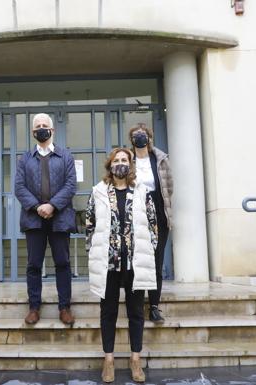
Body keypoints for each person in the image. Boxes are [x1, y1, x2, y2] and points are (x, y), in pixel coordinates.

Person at [86, 148, 158, 383]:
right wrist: (94, 251)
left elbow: (152, 225)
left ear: (130, 164)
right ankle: (108, 359)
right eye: (116, 161)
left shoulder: (142, 191)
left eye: (124, 160)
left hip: (135, 264)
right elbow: (89, 224)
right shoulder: (97, 192)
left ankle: (135, 358)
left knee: (136, 312)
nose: (120, 164)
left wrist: (148, 250)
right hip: (108, 264)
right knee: (108, 313)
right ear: (110, 166)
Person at [14, 113, 77, 326]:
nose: (41, 128)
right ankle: (33, 307)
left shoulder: (66, 156)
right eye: (37, 126)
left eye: (45, 125)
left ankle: (65, 307)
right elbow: (19, 187)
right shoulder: (24, 158)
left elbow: (71, 185)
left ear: (52, 130)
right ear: (33, 132)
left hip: (60, 219)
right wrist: (37, 206)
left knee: (63, 263)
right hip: (34, 219)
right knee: (33, 265)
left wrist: (52, 205)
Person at [128, 123, 173, 323]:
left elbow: (168, 187)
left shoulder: (161, 159)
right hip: (135, 215)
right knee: (136, 261)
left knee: (156, 261)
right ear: (132, 139)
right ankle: (136, 303)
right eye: (136, 135)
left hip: (159, 217)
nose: (140, 137)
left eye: (143, 134)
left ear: (149, 137)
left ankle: (154, 306)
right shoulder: (127, 159)